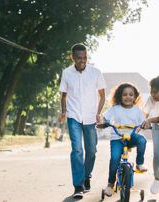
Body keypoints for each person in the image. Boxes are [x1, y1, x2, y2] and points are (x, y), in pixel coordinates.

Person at [58, 43, 106, 199]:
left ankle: (87, 177)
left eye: (85, 57)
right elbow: (64, 95)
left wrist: (98, 113)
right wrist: (64, 111)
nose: (82, 60)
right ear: (72, 57)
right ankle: (78, 185)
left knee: (91, 150)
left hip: (91, 117)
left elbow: (102, 95)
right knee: (77, 149)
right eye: (79, 58)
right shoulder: (66, 73)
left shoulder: (95, 73)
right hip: (73, 116)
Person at [101, 83, 147, 197]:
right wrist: (102, 123)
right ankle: (110, 185)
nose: (128, 97)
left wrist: (144, 126)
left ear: (135, 97)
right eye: (125, 94)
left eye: (131, 95)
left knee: (142, 140)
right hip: (117, 138)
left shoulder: (137, 110)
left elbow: (143, 123)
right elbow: (104, 117)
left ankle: (139, 163)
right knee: (115, 158)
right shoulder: (115, 109)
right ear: (119, 96)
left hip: (131, 137)